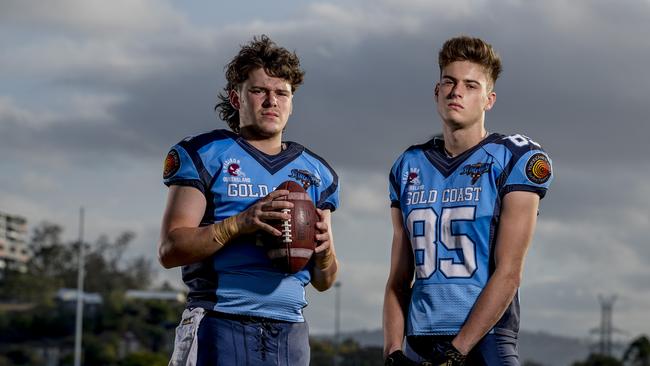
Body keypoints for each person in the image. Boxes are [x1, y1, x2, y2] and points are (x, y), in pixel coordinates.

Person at [159, 35, 339, 366]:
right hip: (219, 319)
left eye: (282, 93)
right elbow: (171, 249)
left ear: (291, 101)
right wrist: (240, 224)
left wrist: (325, 253)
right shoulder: (205, 154)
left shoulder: (316, 172)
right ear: (236, 97)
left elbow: (325, 281)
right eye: (259, 91)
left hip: (290, 329)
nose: (272, 101)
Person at [383, 36, 553, 366]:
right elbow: (398, 280)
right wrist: (392, 350)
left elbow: (509, 273)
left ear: (488, 100)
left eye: (470, 85)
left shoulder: (513, 158)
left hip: (486, 341)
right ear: (437, 91)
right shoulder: (409, 165)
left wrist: (457, 350)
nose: (456, 91)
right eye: (449, 81)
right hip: (420, 340)